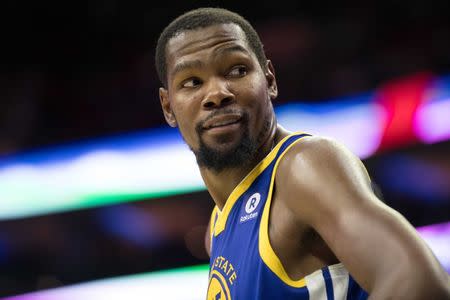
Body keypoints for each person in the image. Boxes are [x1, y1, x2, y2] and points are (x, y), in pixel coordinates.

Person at [155, 7, 450, 300]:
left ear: (269, 80)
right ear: (168, 106)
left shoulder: (303, 164)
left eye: (237, 70)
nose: (217, 93)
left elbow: (419, 281)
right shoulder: (216, 231)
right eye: (192, 82)